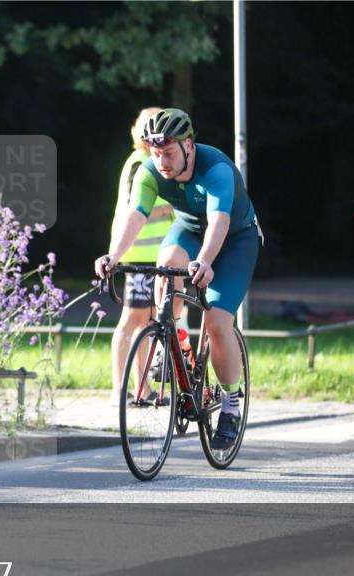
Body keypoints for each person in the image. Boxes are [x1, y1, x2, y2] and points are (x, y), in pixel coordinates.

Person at [94, 108, 263, 450]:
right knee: (166, 265)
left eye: (168, 153)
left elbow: (220, 223)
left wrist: (205, 261)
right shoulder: (149, 170)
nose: (162, 162)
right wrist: (113, 255)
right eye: (156, 154)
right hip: (187, 230)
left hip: (234, 240)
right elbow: (135, 214)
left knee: (217, 323)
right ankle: (174, 340)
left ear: (188, 145)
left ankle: (230, 403)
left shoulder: (215, 169)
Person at [107, 107, 175, 407]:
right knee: (132, 320)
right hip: (140, 255)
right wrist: (170, 210)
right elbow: (133, 209)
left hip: (154, 256)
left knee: (147, 322)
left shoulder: (150, 162)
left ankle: (141, 388)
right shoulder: (139, 164)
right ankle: (120, 389)